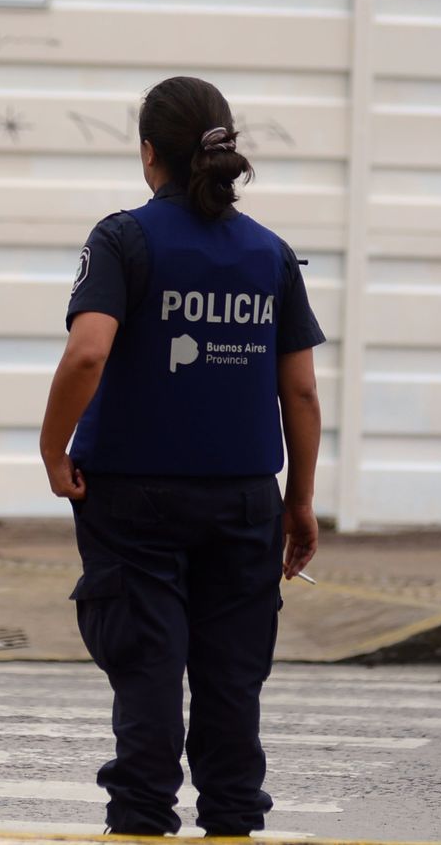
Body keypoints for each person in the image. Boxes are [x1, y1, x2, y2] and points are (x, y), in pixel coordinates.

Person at [39, 76, 324, 836]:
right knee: (233, 680)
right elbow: (299, 394)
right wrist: (298, 502)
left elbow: (87, 354)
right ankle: (232, 819)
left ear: (147, 154)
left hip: (134, 500)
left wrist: (51, 445)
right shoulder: (270, 254)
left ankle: (139, 819)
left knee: (148, 669)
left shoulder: (122, 239)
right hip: (244, 500)